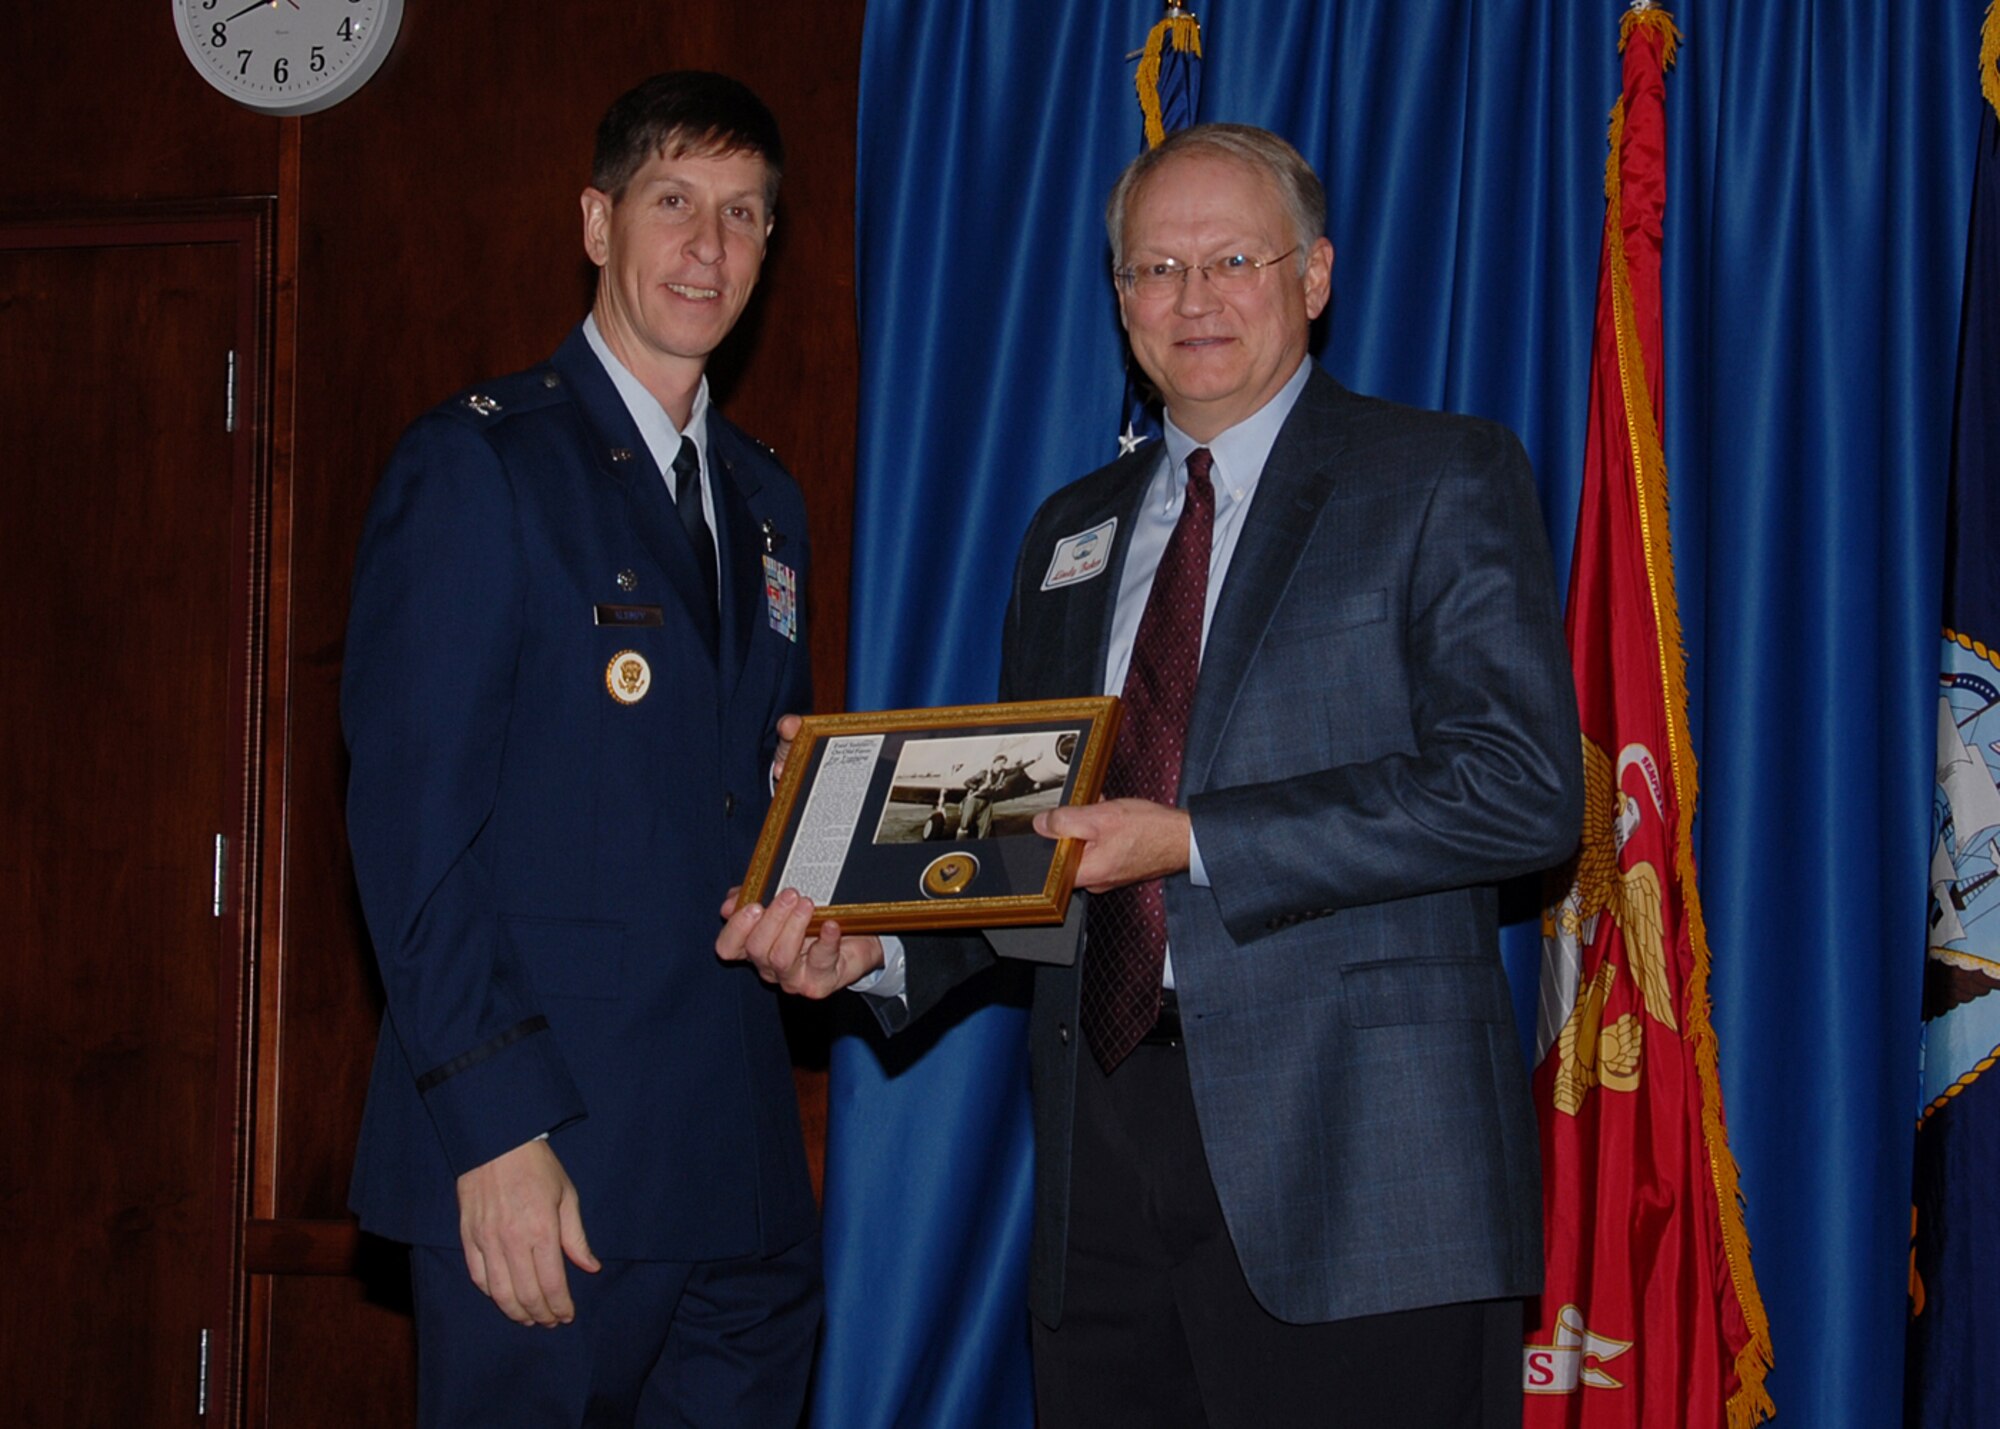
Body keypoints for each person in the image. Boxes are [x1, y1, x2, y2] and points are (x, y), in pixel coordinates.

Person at [719, 123, 1581, 1427]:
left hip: (1362, 1181)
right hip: (1104, 1170)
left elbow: (1522, 788)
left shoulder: (1438, 476)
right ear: (1119, 298)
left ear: (1316, 274)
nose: (1193, 299)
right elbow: (1037, 841)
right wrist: (877, 947)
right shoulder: (1069, 530)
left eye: (1233, 258)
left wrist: (1195, 838)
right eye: (1154, 269)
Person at [343, 71, 818, 1427]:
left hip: (735, 1180)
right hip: (548, 1168)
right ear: (598, 222)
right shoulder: (481, 466)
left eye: (743, 215)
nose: (709, 248)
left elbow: (719, 789)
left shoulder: (768, 500)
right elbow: (413, 830)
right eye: (675, 203)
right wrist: (492, 1128)